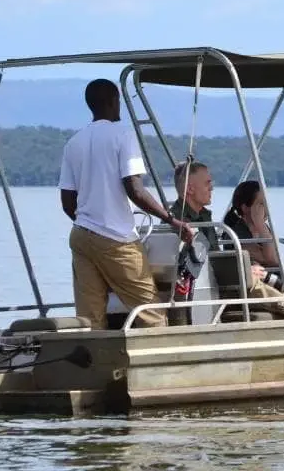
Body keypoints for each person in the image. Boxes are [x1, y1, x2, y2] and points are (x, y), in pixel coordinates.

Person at [58, 78, 191, 329]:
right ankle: (160, 352)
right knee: (150, 312)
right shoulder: (123, 135)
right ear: (113, 101)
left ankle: (96, 354)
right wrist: (172, 220)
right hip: (116, 238)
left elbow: (67, 203)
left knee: (91, 319)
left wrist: (89, 222)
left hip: (81, 237)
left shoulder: (73, 143)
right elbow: (135, 190)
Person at [167, 162, 284, 314]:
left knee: (249, 273)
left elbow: (214, 257)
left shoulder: (204, 217)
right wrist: (242, 269)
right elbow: (193, 265)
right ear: (190, 189)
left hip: (213, 279)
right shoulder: (179, 222)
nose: (212, 188)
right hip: (200, 285)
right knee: (248, 275)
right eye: (207, 183)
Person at [222, 180, 280, 268]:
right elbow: (272, 260)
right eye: (261, 204)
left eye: (266, 203)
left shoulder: (264, 230)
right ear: (245, 208)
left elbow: (278, 260)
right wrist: (260, 223)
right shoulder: (235, 234)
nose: (266, 208)